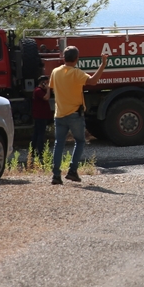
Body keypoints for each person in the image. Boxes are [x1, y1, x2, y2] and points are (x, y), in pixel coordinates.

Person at [49, 46, 110, 185]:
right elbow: (93, 81)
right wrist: (103, 64)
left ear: (63, 58)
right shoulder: (77, 73)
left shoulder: (55, 72)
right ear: (77, 59)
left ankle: (56, 175)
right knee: (80, 141)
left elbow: (52, 87)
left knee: (59, 144)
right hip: (75, 114)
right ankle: (72, 171)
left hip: (59, 114)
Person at [31, 75, 52, 159]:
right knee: (40, 134)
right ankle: (41, 152)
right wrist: (48, 89)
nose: (48, 84)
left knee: (36, 134)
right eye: (46, 82)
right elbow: (46, 97)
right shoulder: (38, 91)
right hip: (40, 116)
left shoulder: (40, 90)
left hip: (40, 115)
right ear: (42, 83)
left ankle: (33, 151)